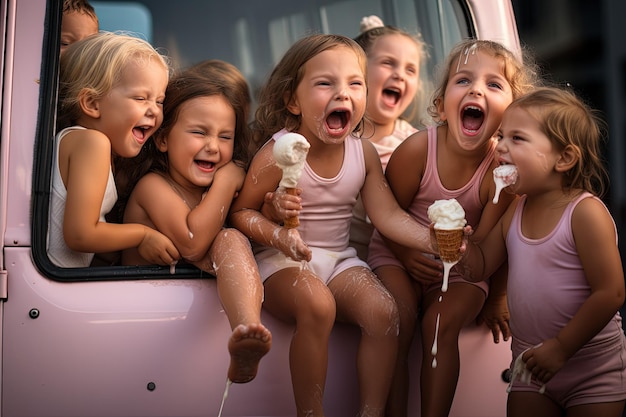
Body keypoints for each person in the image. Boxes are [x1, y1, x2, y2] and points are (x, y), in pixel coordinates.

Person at [228, 34, 444, 417]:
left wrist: (433, 239)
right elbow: (241, 214)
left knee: (383, 312)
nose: (342, 93)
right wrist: (278, 233)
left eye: (354, 83)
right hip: (282, 262)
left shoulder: (363, 153)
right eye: (325, 83)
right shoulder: (279, 151)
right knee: (318, 305)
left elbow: (388, 216)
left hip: (339, 259)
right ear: (292, 100)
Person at [367, 39, 538, 417]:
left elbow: (499, 243)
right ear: (442, 103)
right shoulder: (415, 151)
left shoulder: (502, 174)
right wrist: (406, 253)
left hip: (466, 270)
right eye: (464, 81)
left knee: (439, 323)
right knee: (399, 317)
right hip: (398, 254)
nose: (477, 89)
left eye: (494, 85)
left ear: (512, 113)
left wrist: (497, 298)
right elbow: (383, 214)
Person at [457, 86, 626, 417]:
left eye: (517, 139)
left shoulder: (584, 213)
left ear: (563, 158)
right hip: (529, 366)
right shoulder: (514, 210)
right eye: (501, 136)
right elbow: (479, 266)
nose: (500, 146)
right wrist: (458, 246)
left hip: (593, 370)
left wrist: (562, 348)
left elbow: (611, 293)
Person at [121, 62, 271, 384]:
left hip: (179, 331)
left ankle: (246, 331)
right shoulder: (153, 187)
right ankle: (244, 329)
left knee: (230, 239)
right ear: (162, 140)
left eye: (225, 136)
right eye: (199, 132)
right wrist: (227, 181)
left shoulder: (213, 190)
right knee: (225, 237)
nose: (213, 146)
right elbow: (191, 242)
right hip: (141, 317)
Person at [48, 32, 179, 268]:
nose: (154, 111)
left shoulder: (74, 141)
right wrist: (143, 235)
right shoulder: (93, 143)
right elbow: (80, 234)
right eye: (140, 98)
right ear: (92, 103)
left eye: (159, 101)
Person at [349, 15, 426, 261]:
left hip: (397, 258)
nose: (400, 75)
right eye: (388, 63)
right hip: (346, 261)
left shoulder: (416, 144)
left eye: (410, 69)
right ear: (358, 70)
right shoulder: (339, 138)